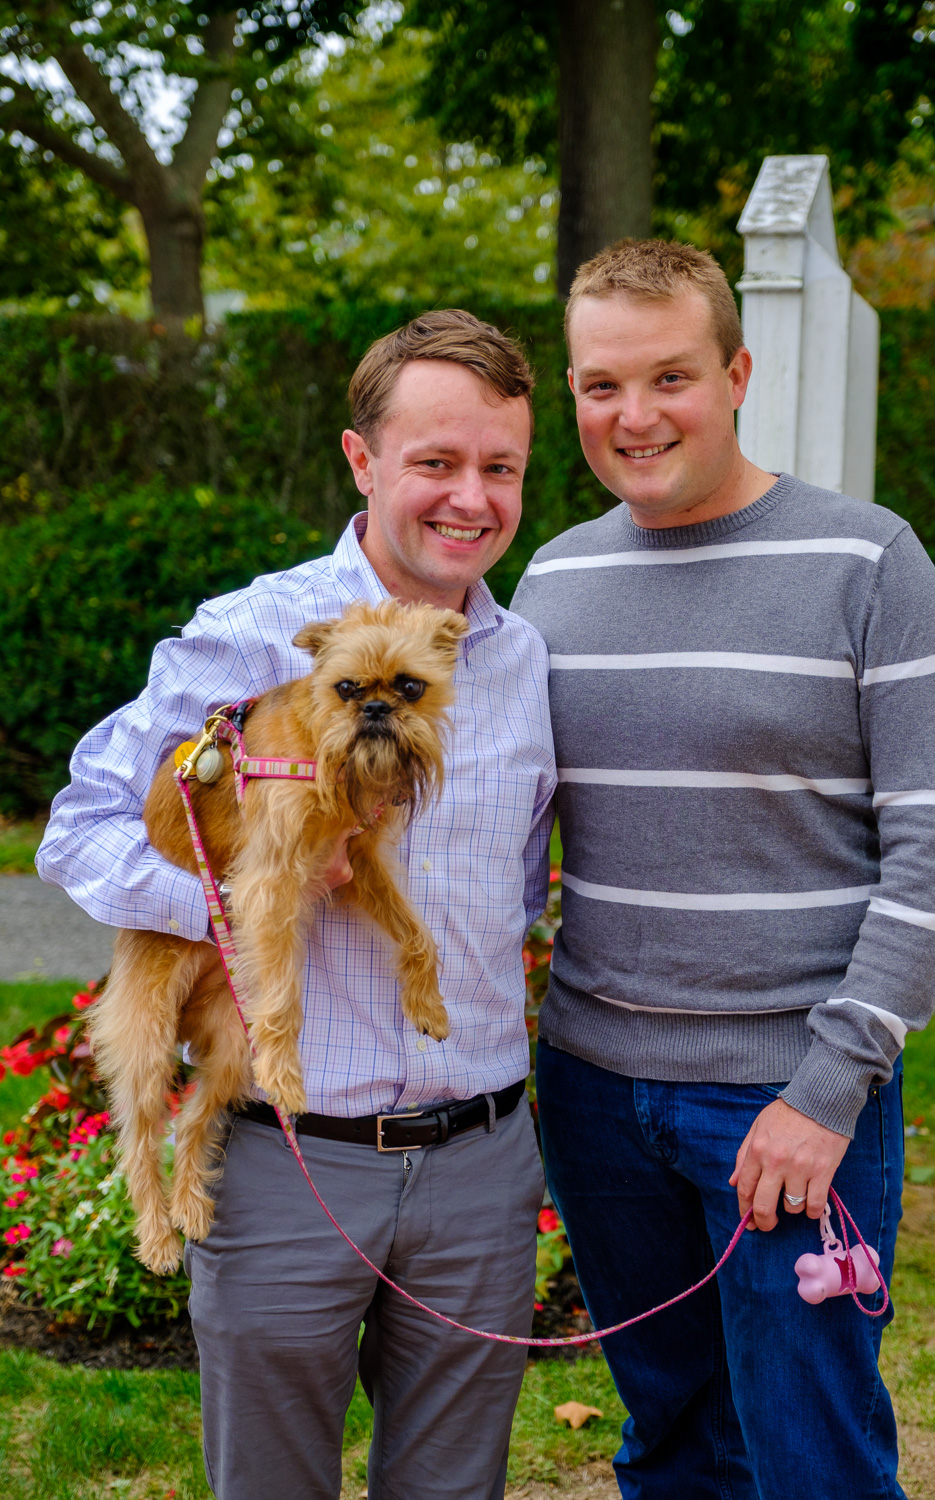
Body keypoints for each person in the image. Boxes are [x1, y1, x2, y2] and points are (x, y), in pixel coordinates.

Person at [37, 309, 557, 1500]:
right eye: (434, 461)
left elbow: (517, 889)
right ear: (362, 460)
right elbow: (82, 824)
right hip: (286, 1157)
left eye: (500, 467)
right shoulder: (250, 630)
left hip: (480, 1164)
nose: (469, 496)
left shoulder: (525, 660)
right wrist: (227, 902)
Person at [510, 239, 935, 1499]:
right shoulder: (552, 577)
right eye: (602, 384)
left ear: (735, 373)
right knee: (671, 1441)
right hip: (597, 1098)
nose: (635, 414)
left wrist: (826, 1093)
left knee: (809, 1452)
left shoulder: (867, 563)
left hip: (783, 1096)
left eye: (670, 376)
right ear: (572, 391)